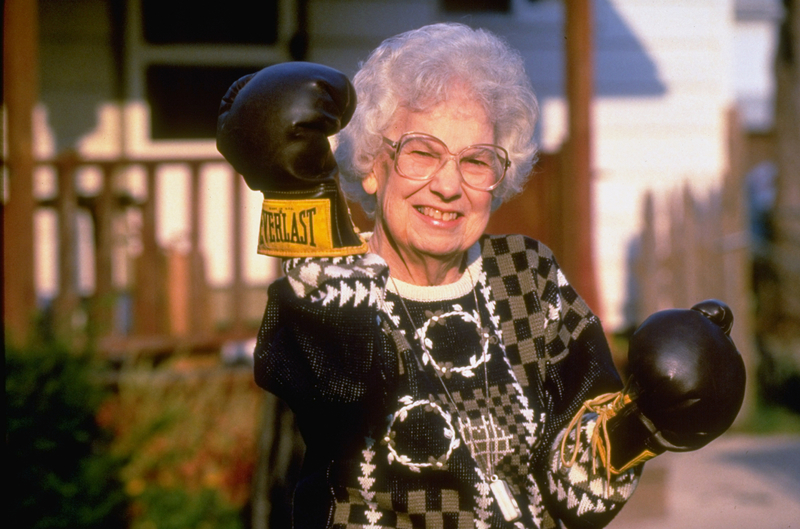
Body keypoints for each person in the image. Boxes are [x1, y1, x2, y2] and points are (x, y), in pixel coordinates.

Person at [217, 23, 745, 529]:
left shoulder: (528, 277)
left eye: (477, 161)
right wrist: (298, 196)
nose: (449, 185)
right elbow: (342, 382)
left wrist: (645, 423)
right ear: (373, 166)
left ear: (500, 176)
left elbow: (575, 495)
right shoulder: (326, 285)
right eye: (422, 152)